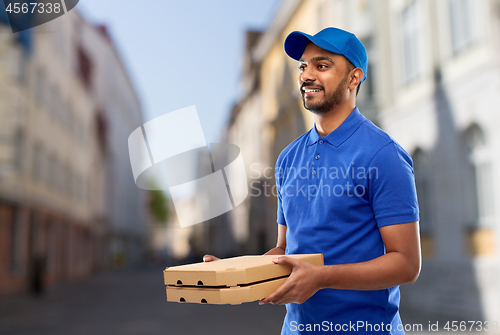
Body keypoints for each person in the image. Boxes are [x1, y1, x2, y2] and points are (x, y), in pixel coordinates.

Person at [204, 27, 421, 335]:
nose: (306, 75)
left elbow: (407, 264)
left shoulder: (383, 155)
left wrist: (320, 277)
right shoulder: (288, 159)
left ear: (354, 77)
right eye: (303, 66)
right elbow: (284, 251)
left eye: (322, 66)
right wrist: (233, 274)